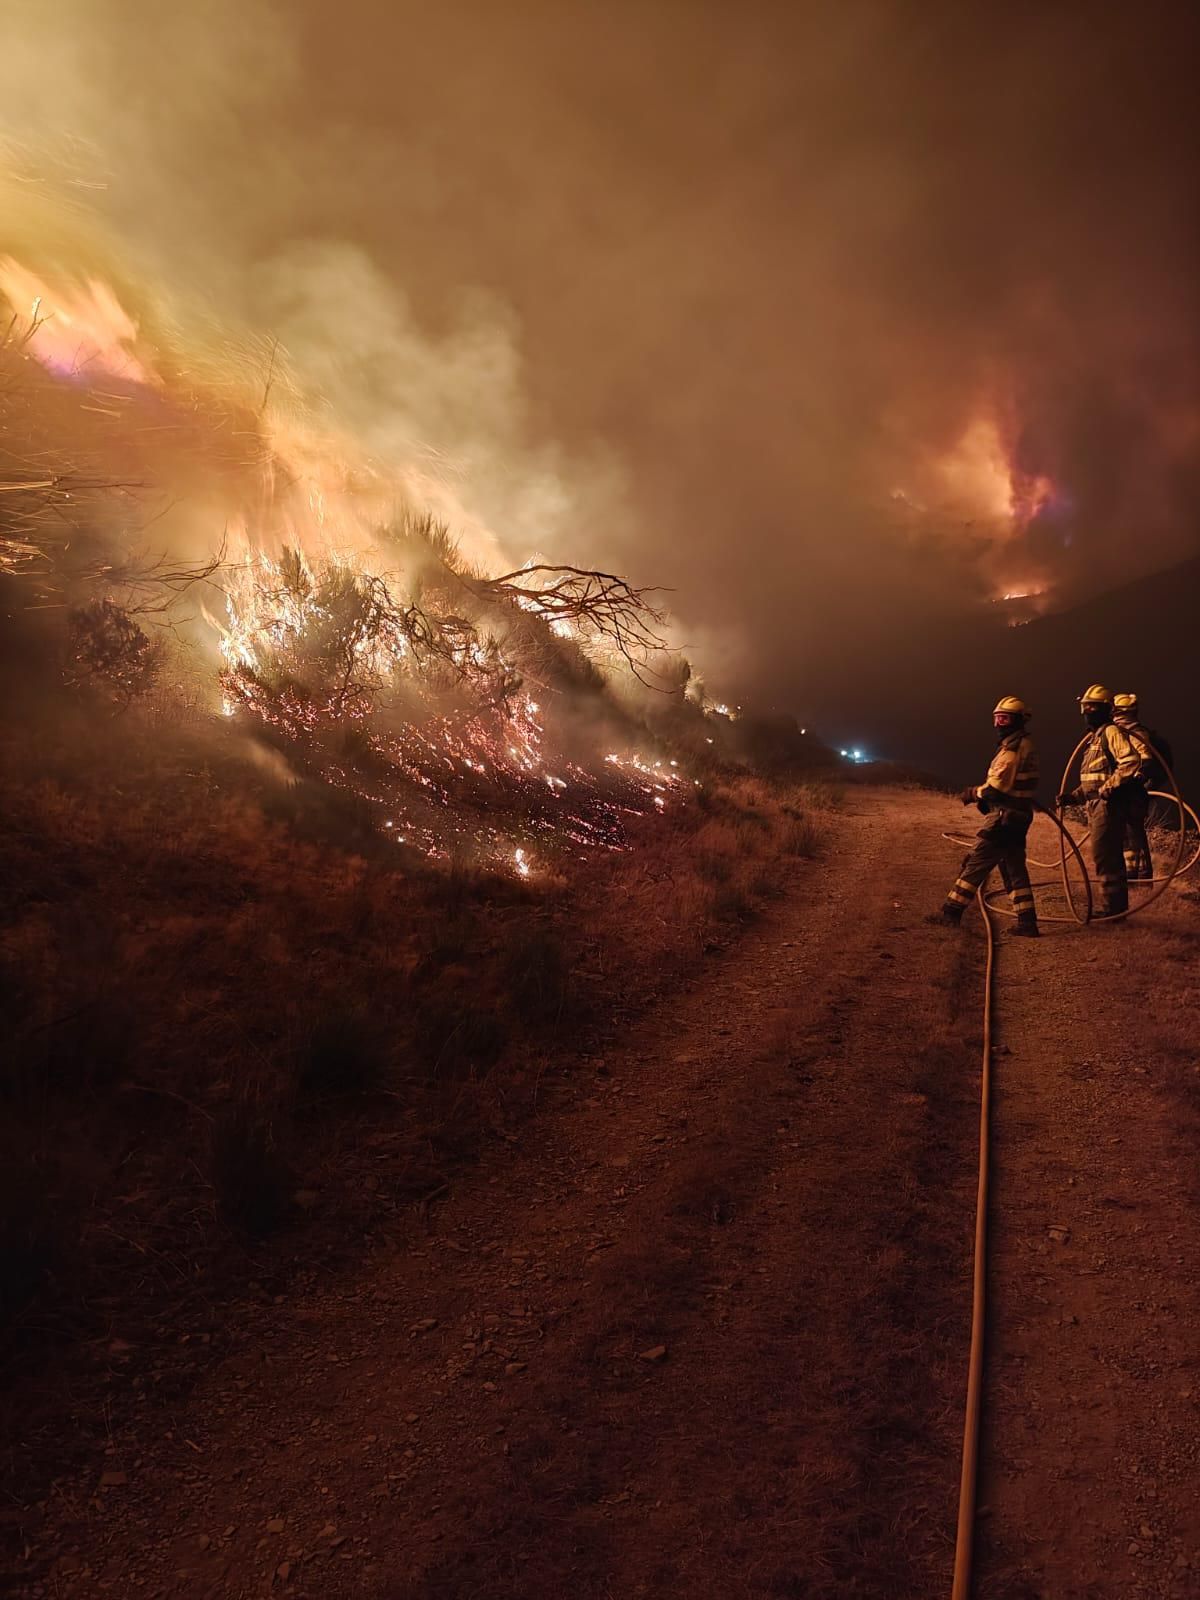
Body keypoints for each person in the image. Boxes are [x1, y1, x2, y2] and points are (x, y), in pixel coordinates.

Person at [932, 695, 1040, 936]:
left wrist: (973, 793)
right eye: (996, 718)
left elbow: (996, 788)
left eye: (1004, 718)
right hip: (1017, 816)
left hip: (1004, 817)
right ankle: (1027, 922)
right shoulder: (1022, 745)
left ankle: (950, 912)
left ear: (1019, 720)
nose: (998, 724)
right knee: (1013, 869)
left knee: (976, 862)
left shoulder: (1013, 750)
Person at [1057, 684, 1142, 916]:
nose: (1087, 712)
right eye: (1085, 707)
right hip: (1095, 804)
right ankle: (1116, 908)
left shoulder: (1110, 732)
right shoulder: (1093, 739)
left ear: (1105, 709)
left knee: (1105, 854)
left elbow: (1131, 760)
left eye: (1092, 707)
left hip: (1108, 805)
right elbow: (1093, 778)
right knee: (1106, 854)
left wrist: (1110, 786)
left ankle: (1112, 909)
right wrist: (1073, 797)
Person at [1113, 692, 1172, 883]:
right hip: (1129, 789)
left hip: (1135, 790)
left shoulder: (1136, 733)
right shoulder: (1122, 733)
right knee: (1129, 830)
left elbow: (1145, 760)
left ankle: (1138, 875)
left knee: (1133, 830)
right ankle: (1136, 874)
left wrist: (1138, 778)